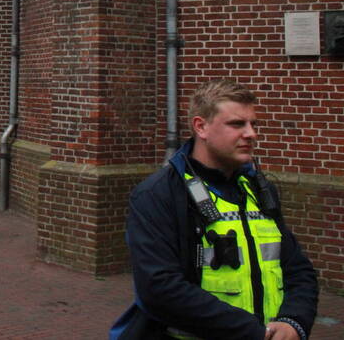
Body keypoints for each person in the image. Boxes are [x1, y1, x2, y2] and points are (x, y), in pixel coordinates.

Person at [114, 79, 318, 340]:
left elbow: (298, 270)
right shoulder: (159, 195)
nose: (251, 134)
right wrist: (254, 333)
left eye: (253, 124)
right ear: (201, 127)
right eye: (237, 124)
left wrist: (293, 322)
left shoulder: (259, 190)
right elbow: (159, 288)